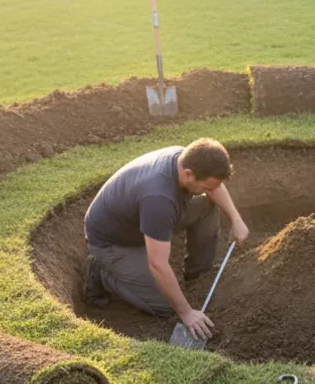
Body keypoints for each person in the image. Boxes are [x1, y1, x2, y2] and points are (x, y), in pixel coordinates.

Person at [83, 138, 249, 340]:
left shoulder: (188, 159)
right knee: (165, 305)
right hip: (114, 242)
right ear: (189, 175)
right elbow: (158, 265)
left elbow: (215, 186)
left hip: (142, 222)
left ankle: (198, 273)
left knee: (207, 206)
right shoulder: (159, 200)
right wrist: (186, 312)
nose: (211, 189)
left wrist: (236, 219)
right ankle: (102, 273)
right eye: (206, 185)